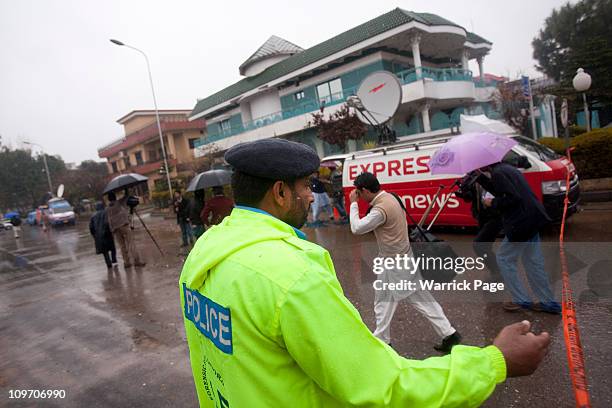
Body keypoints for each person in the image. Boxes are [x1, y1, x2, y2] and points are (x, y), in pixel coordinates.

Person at [179, 138, 551, 407]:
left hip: (396, 262)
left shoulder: (203, 255)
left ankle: (403, 337)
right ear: (279, 192)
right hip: (395, 263)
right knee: (396, 306)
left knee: (395, 306)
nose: (312, 196)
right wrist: (493, 363)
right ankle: (413, 337)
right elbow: (383, 386)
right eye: (306, 186)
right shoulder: (291, 276)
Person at [349, 172, 460, 351]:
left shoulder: (380, 209)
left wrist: (353, 204)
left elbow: (357, 228)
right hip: (398, 259)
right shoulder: (390, 197)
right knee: (388, 300)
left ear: (364, 190)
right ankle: (384, 339)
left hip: (395, 264)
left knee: (413, 300)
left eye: (358, 193)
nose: (358, 196)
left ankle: (447, 334)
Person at [477, 162, 561, 313]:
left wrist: (492, 202)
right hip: (532, 218)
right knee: (533, 262)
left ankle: (522, 300)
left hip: (520, 223)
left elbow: (512, 198)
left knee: (504, 258)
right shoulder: (507, 169)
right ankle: (548, 303)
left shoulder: (498, 173)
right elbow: (503, 190)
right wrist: (481, 179)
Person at [455, 172, 503, 281]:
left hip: (495, 216)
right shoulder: (473, 177)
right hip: (482, 216)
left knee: (479, 245)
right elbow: (470, 198)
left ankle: (497, 271)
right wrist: (463, 193)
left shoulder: (493, 174)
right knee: (485, 246)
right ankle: (495, 269)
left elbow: (502, 194)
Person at [106, 191, 145, 268]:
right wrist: (126, 190)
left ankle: (126, 263)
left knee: (122, 246)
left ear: (109, 199)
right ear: (114, 197)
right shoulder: (119, 203)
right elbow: (126, 197)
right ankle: (136, 261)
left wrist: (111, 230)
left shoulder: (107, 208)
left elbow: (109, 220)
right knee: (131, 243)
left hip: (115, 229)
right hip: (124, 225)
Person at [89, 201, 117, 269]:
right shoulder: (106, 213)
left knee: (105, 251)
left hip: (99, 236)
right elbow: (108, 222)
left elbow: (91, 227)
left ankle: (108, 264)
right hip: (107, 234)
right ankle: (114, 261)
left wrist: (94, 235)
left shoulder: (93, 216)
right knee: (112, 248)